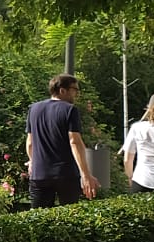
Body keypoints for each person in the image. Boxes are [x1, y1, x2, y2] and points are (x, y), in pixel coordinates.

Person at [24, 74, 99, 208]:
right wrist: (86, 175)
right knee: (69, 218)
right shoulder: (70, 110)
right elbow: (74, 142)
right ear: (62, 90)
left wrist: (32, 161)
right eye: (74, 89)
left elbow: (30, 142)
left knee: (39, 219)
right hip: (66, 173)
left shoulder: (33, 109)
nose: (77, 94)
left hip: (40, 174)